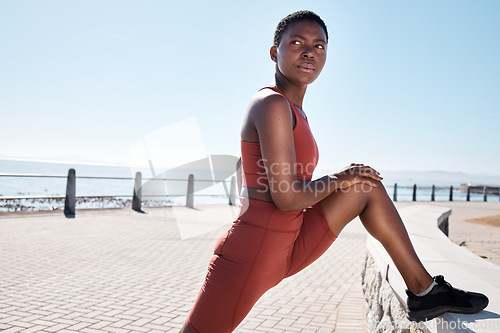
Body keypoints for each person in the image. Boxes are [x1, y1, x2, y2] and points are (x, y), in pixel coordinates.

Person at [180, 10, 488, 333]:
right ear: (275, 52)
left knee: (366, 187)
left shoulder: (294, 110)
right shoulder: (270, 104)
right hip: (252, 253)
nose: (309, 51)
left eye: (319, 46)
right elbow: (285, 198)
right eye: (297, 42)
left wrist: (348, 180)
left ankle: (425, 291)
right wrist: (341, 177)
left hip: (290, 243)